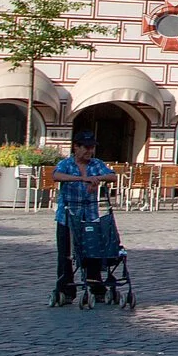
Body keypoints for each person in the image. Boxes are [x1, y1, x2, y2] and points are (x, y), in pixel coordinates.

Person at [51, 127, 116, 307]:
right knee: (65, 255)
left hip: (90, 216)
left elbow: (112, 176)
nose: (89, 151)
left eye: (91, 147)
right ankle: (66, 290)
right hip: (68, 216)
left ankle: (97, 288)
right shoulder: (67, 164)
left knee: (92, 252)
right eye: (85, 147)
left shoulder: (96, 164)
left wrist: (97, 178)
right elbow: (56, 176)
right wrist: (81, 179)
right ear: (76, 147)